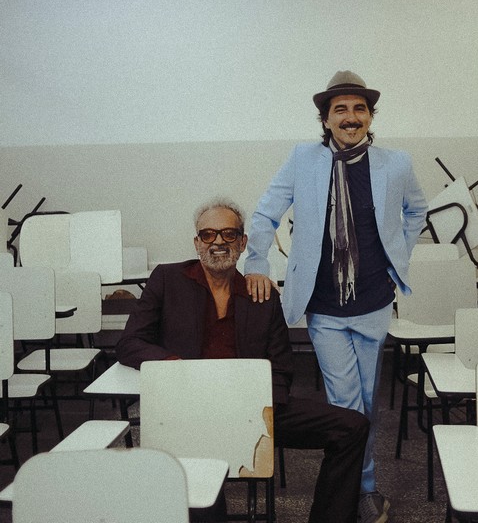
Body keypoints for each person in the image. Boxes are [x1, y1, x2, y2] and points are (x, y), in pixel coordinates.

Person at [244, 70, 427, 522]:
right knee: (345, 404)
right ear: (325, 119)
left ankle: (360, 484)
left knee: (367, 402)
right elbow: (266, 213)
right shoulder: (302, 159)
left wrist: (396, 261)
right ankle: (361, 491)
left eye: (359, 109)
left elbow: (417, 210)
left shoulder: (395, 164)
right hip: (324, 305)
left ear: (370, 117)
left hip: (374, 302)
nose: (350, 117)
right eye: (340, 109)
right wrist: (257, 263)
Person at [116, 198, 369, 523]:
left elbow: (281, 368)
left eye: (229, 234)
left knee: (352, 426)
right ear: (197, 242)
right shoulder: (167, 280)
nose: (218, 242)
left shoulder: (260, 294)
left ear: (242, 242)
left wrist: (258, 411)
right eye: (208, 234)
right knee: (204, 494)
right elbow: (130, 343)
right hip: (189, 412)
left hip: (252, 410)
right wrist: (173, 364)